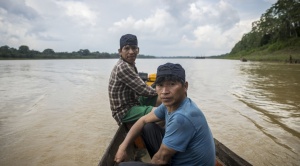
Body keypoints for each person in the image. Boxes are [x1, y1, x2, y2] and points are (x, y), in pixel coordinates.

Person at [114, 63, 216, 166]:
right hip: (176, 157)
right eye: (160, 85)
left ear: (185, 86)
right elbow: (143, 120)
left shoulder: (182, 118)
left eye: (172, 84)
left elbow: (160, 160)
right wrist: (122, 147)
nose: (164, 92)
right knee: (148, 127)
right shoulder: (171, 104)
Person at [108, 34, 160, 126]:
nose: (131, 52)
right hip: (124, 111)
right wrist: (162, 92)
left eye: (134, 48)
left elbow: (142, 89)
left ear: (138, 50)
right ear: (120, 51)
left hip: (134, 102)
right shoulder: (123, 67)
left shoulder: (130, 64)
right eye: (127, 48)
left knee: (163, 98)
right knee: (162, 111)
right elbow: (143, 90)